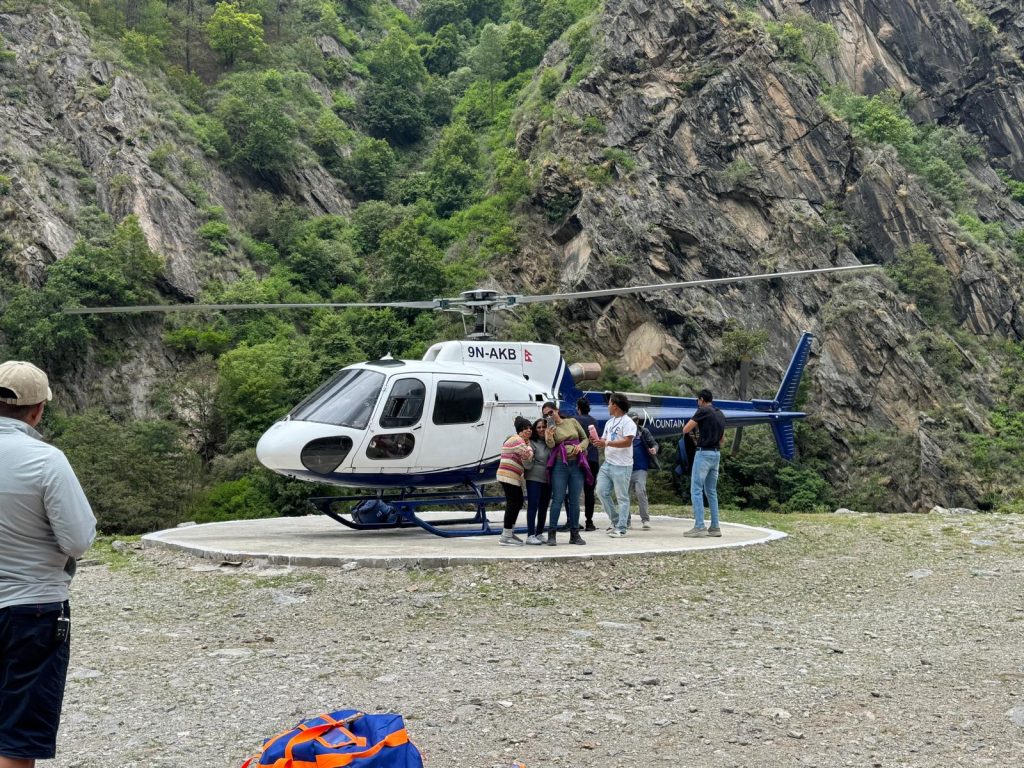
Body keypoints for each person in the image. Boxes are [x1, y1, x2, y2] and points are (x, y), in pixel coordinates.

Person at [0, 361, 96, 768]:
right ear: (38, 410)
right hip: (33, 609)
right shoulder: (46, 460)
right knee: (18, 739)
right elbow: (78, 539)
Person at [542, 402, 590, 546]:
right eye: (545, 415)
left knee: (574, 500)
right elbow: (550, 446)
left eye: (550, 412)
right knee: (557, 499)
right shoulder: (549, 428)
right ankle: (552, 534)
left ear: (557, 410)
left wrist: (580, 447)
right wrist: (549, 436)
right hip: (560, 464)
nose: (549, 416)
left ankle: (574, 534)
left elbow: (585, 438)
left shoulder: (572, 421)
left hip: (576, 464)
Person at [681, 388, 727, 537]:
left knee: (696, 489)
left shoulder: (703, 411)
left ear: (701, 400)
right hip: (716, 454)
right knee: (711, 491)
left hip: (704, 454)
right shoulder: (720, 413)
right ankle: (715, 527)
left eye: (698, 401)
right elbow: (722, 439)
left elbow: (686, 429)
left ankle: (699, 526)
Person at [592, 393, 636, 538]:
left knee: (622, 497)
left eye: (609, 403)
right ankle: (616, 521)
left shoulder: (628, 422)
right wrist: (598, 441)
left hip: (622, 465)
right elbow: (604, 439)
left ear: (615, 405)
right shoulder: (610, 422)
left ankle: (621, 528)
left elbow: (627, 442)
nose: (608, 406)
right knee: (601, 491)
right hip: (608, 463)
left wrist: (607, 443)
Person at [496, 416, 535, 546]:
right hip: (508, 476)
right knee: (514, 503)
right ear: (519, 430)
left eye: (530, 428)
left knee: (517, 502)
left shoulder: (519, 440)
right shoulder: (517, 440)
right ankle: (506, 536)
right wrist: (529, 446)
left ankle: (509, 532)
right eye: (525, 428)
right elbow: (529, 455)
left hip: (511, 477)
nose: (528, 430)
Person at [628, 414, 660, 530]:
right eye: (632, 420)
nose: (634, 422)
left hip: (640, 468)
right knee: (625, 495)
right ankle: (626, 521)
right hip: (625, 468)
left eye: (636, 420)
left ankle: (645, 520)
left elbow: (655, 444)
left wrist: (654, 449)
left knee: (641, 492)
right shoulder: (623, 432)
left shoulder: (643, 431)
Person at [573, 397, 600, 532]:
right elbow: (596, 440)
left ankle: (573, 521)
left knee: (575, 491)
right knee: (590, 491)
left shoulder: (574, 420)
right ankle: (589, 522)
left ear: (578, 407)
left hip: (578, 458)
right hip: (593, 459)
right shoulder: (594, 421)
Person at [523, 419, 551, 545]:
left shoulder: (550, 442)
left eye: (543, 427)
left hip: (548, 478)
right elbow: (529, 459)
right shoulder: (532, 442)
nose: (541, 429)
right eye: (538, 427)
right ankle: (530, 534)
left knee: (544, 507)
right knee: (533, 505)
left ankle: (539, 533)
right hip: (534, 477)